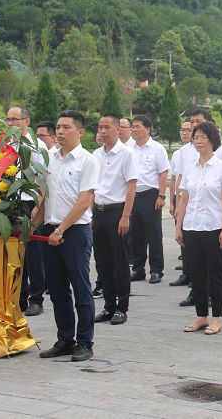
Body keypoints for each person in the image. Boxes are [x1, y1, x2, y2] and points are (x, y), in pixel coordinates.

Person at [32, 110, 98, 361]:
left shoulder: (87, 160)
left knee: (81, 287)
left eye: (66, 127)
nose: (60, 131)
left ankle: (85, 342)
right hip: (50, 230)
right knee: (58, 289)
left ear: (80, 132)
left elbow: (84, 201)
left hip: (75, 232)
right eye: (58, 127)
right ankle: (65, 339)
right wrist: (33, 224)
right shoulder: (49, 158)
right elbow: (44, 196)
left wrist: (61, 230)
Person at [174, 122, 222, 335]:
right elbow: (184, 198)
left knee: (216, 274)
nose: (198, 141)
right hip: (192, 227)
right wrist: (179, 227)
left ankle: (217, 317)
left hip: (214, 228)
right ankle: (201, 315)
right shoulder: (190, 168)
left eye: (203, 137)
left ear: (212, 140)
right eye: (196, 137)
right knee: (197, 274)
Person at [92, 114, 137, 325]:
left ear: (118, 129)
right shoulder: (96, 155)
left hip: (117, 211)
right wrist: (90, 214)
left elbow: (131, 186)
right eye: (100, 127)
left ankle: (122, 307)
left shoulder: (127, 154)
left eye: (107, 127)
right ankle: (108, 306)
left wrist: (125, 216)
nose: (102, 131)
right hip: (98, 212)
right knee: (103, 261)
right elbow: (92, 187)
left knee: (120, 261)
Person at [5, 106, 48, 318]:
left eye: (15, 119)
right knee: (15, 253)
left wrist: (38, 208)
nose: (11, 124)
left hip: (30, 203)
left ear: (26, 121)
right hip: (11, 205)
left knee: (33, 255)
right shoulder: (6, 146)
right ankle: (18, 296)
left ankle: (36, 298)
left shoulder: (36, 147)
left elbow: (42, 180)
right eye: (8, 120)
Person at [129, 115, 170, 284]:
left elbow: (163, 173)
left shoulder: (157, 148)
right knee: (135, 234)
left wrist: (161, 195)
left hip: (150, 195)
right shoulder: (129, 148)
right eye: (133, 126)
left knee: (153, 234)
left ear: (148, 129)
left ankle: (156, 270)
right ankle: (138, 269)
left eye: (137, 126)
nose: (134, 129)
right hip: (132, 196)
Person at [168, 119, 193, 286]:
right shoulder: (179, 153)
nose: (184, 133)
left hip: (194, 199)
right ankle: (186, 272)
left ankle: (194, 273)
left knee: (193, 239)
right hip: (181, 199)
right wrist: (172, 202)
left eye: (188, 130)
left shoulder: (200, 150)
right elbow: (175, 179)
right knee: (182, 237)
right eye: (182, 130)